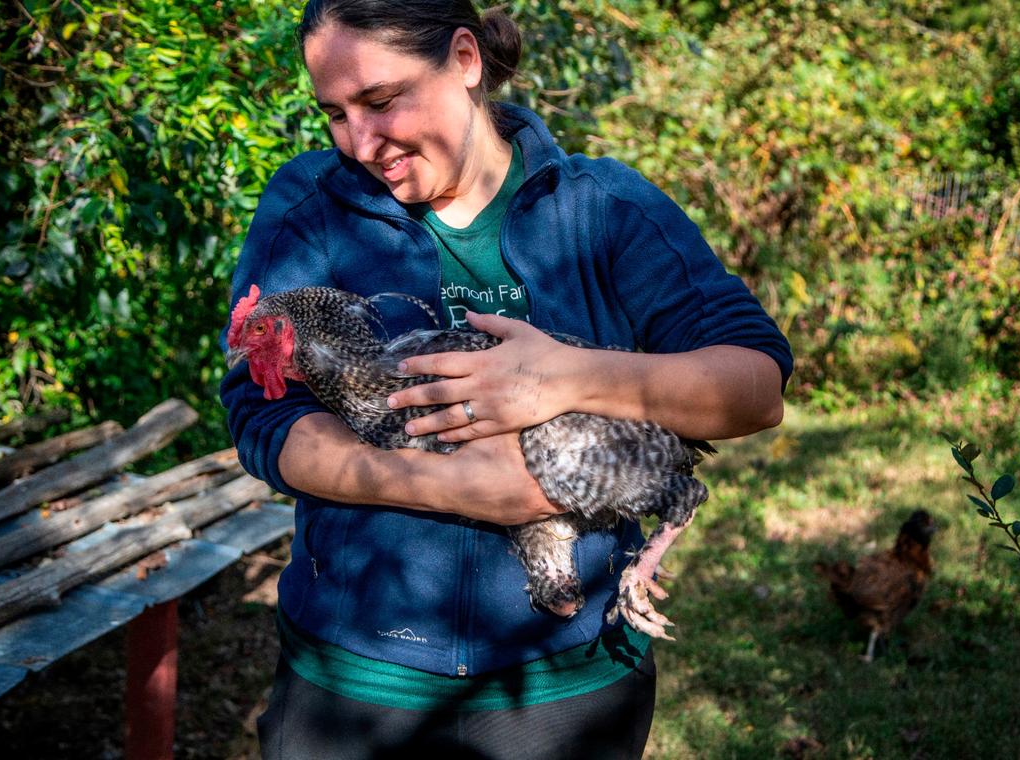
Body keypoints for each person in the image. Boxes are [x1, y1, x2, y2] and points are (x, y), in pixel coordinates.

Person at [220, 1, 793, 757]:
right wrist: (455, 487)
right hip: (355, 684)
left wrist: (570, 376)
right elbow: (262, 419)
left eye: (382, 100)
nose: (360, 142)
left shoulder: (601, 211)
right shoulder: (313, 210)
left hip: (564, 689)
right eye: (334, 113)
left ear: (464, 60)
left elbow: (754, 386)